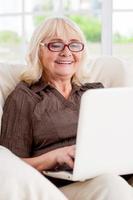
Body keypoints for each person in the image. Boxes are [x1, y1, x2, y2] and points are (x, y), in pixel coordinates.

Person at [0, 16, 133, 200]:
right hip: (59, 186)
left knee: (112, 181)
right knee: (111, 186)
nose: (66, 52)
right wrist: (54, 157)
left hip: (109, 172)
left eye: (74, 45)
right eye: (56, 45)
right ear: (38, 51)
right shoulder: (25, 97)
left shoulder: (95, 92)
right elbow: (9, 167)